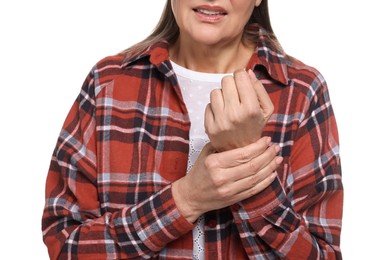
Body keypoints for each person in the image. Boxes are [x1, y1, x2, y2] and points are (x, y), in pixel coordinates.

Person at [42, 0, 343, 259]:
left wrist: (243, 153)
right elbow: (66, 246)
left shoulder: (301, 92)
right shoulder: (109, 84)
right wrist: (187, 198)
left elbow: (321, 254)